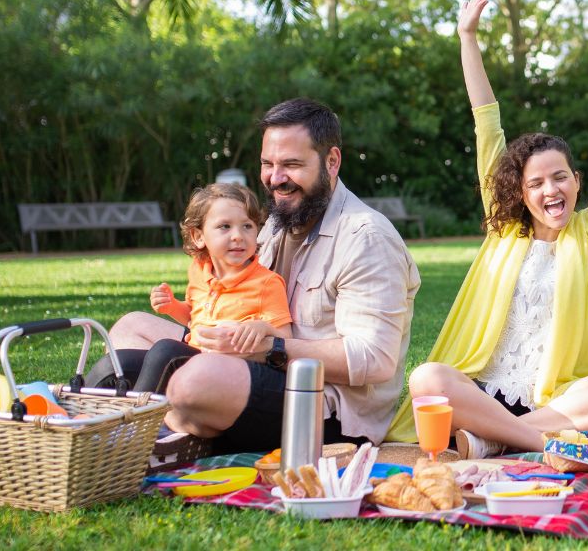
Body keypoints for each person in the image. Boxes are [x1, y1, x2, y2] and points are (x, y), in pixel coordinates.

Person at [389, 0, 588, 458]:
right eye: (537, 183)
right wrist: (467, 38)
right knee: (427, 378)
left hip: (556, 401)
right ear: (520, 194)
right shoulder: (504, 227)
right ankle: (537, 443)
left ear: (578, 182)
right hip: (482, 389)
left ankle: (489, 440)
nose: (551, 190)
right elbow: (487, 121)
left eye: (560, 178)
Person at [96, 98, 421, 459]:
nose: (275, 178)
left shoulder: (366, 237)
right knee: (130, 329)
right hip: (246, 363)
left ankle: (156, 434)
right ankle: (154, 425)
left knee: (194, 380)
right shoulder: (277, 224)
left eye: (292, 165)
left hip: (323, 407)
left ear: (332, 161)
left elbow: (374, 360)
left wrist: (270, 349)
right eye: (268, 164)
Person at [84, 183, 292, 395]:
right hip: (195, 356)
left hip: (231, 370)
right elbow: (195, 318)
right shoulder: (199, 270)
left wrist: (262, 328)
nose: (238, 235)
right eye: (225, 226)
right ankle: (80, 409)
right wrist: (172, 307)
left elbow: (286, 336)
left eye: (247, 226)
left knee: (166, 351)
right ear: (198, 236)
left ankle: (137, 416)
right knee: (120, 361)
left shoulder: (266, 283)